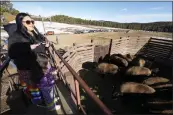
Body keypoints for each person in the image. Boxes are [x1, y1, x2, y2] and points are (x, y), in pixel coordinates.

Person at [8, 13, 60, 112]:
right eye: (28, 22)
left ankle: (49, 100)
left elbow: (40, 44)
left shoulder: (35, 33)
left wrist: (46, 45)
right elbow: (11, 53)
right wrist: (28, 47)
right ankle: (48, 105)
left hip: (42, 64)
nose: (31, 24)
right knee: (36, 88)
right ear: (20, 23)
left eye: (32, 21)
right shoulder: (15, 37)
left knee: (46, 86)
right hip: (28, 68)